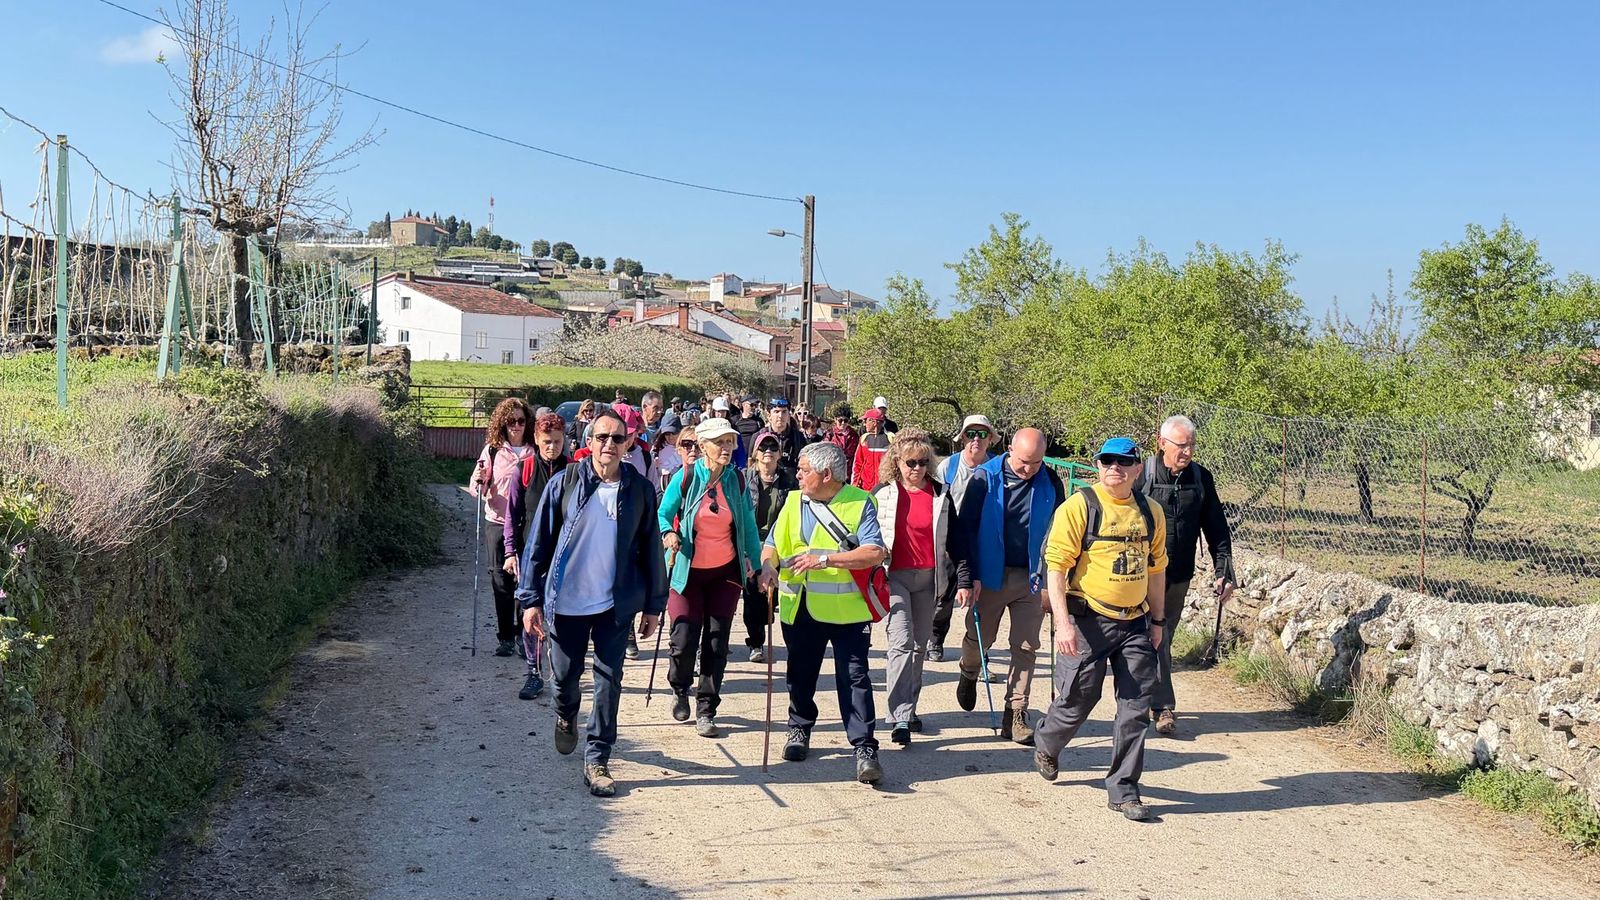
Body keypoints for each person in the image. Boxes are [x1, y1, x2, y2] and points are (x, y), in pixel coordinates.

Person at [517, 409, 669, 798]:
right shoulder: (564, 483)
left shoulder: (639, 490)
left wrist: (654, 604)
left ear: (628, 444)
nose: (609, 446)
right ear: (588, 442)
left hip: (612, 606)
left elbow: (651, 546)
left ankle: (598, 756)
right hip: (566, 603)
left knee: (608, 681)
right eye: (602, 438)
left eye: (617, 439)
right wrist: (530, 599)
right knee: (566, 680)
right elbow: (538, 546)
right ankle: (566, 714)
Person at [1035, 437, 1168, 821]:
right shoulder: (1080, 507)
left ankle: (1125, 790)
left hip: (1136, 623)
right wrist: (1063, 624)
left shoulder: (1150, 512)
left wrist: (1157, 622)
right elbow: (1056, 568)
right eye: (1108, 461)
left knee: (1135, 708)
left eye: (1124, 461)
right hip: (1088, 620)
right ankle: (1048, 741)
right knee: (1077, 699)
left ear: (1138, 468)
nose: (1116, 467)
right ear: (1097, 465)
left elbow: (1157, 570)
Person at [757, 441, 889, 784]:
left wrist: (825, 560)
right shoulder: (792, 500)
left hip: (848, 611)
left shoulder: (861, 503)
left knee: (855, 678)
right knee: (800, 673)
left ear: (826, 474)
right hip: (801, 606)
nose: (797, 475)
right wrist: (767, 567)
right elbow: (772, 542)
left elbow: (874, 552)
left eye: (804, 470)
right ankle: (799, 729)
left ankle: (864, 747)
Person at [954, 427, 1064, 745]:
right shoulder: (982, 478)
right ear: (1010, 449)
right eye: (1024, 462)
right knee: (980, 638)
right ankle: (969, 669)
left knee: (1027, 645)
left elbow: (1060, 532)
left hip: (1031, 577)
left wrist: (1052, 580)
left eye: (1036, 463)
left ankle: (1015, 713)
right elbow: (966, 530)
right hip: (989, 575)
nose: (1029, 469)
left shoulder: (1051, 482)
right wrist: (969, 575)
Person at [657, 417, 763, 737]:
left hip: (724, 573)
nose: (727, 448)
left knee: (717, 643)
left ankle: (707, 707)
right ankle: (679, 688)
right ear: (703, 446)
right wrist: (669, 533)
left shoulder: (737, 480)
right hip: (687, 571)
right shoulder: (686, 477)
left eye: (730, 442)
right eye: (720, 442)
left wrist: (757, 568)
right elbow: (663, 513)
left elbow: (747, 525)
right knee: (684, 638)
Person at [1135, 415, 1236, 735]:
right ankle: (1160, 706)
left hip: (1177, 575)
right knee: (1147, 637)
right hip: (1138, 575)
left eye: (1191, 445)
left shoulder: (1201, 479)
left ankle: (1151, 702)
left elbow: (1217, 528)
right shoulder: (1142, 475)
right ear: (1161, 443)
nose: (1188, 452)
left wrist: (1224, 570)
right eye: (1181, 445)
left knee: (1161, 637)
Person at [872, 428, 969, 746]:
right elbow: (869, 537)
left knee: (918, 647)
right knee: (899, 644)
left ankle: (909, 710)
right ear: (897, 462)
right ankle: (899, 717)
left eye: (923, 462)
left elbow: (957, 541)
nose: (917, 468)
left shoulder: (942, 494)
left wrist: (966, 581)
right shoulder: (883, 494)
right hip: (895, 577)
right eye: (910, 462)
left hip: (930, 579)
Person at [502, 412, 569, 699]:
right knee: (531, 614)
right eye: (546, 441)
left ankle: (563, 673)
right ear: (536, 440)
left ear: (564, 439)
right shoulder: (524, 470)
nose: (551, 446)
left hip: (567, 557)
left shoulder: (576, 471)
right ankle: (534, 672)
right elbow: (512, 515)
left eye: (556, 441)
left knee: (566, 617)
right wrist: (510, 552)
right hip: (531, 556)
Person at [471, 398, 538, 658]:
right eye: (511, 421)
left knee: (525, 579)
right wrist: (479, 480)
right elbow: (478, 488)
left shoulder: (534, 450)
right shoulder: (492, 451)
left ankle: (523, 634)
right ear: (502, 423)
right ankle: (505, 637)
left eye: (521, 421)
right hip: (497, 522)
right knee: (500, 580)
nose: (516, 426)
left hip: (526, 525)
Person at [928, 414, 996, 662]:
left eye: (981, 434)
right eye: (971, 434)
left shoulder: (996, 469)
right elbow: (936, 503)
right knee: (943, 597)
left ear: (990, 439)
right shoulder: (949, 466)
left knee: (983, 598)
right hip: (951, 540)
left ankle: (980, 651)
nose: (976, 440)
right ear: (962, 438)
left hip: (984, 541)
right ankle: (935, 640)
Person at [743, 429, 799, 662]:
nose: (768, 452)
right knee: (753, 592)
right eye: (763, 448)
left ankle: (767, 621)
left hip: (778, 544)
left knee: (772, 594)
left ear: (780, 454)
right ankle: (756, 642)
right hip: (750, 542)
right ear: (755, 453)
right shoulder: (743, 478)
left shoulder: (790, 480)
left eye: (773, 448)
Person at [851, 408, 892, 492]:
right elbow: (857, 464)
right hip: (865, 489)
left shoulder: (891, 439)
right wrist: (854, 486)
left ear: (875, 422)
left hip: (884, 490)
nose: (864, 424)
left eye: (866, 421)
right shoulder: (864, 439)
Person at [764, 397, 804, 473]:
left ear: (789, 414)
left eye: (784, 412)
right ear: (769, 415)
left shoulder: (798, 437)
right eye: (776, 411)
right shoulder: (759, 436)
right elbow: (752, 463)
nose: (780, 416)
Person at [824, 409, 860, 483]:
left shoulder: (854, 435)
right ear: (835, 420)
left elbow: (856, 455)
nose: (843, 423)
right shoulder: (830, 434)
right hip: (833, 470)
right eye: (840, 420)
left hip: (849, 472)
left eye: (845, 421)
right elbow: (825, 452)